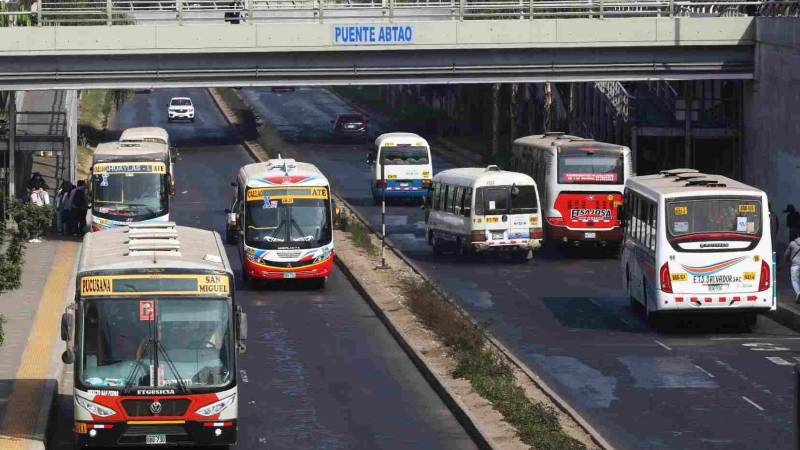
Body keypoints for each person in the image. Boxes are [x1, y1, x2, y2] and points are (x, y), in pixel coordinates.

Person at [784, 235, 800, 303]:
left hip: (795, 265)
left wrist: (784, 261)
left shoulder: (792, 243)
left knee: (794, 280)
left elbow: (786, 254)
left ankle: (799, 292)